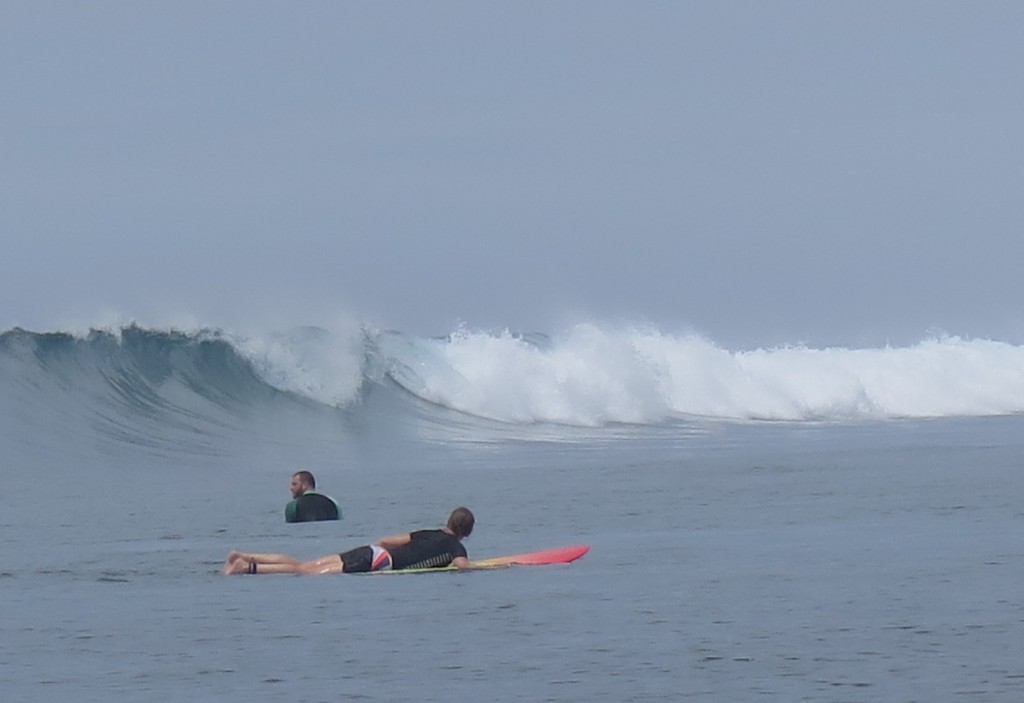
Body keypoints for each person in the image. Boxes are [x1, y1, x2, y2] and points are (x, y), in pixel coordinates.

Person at [224, 507, 474, 575]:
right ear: (467, 532)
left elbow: (388, 539)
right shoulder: (456, 547)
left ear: (448, 521)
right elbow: (462, 567)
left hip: (372, 551)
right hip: (379, 563)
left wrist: (375, 552)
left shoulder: (427, 532)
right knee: (304, 571)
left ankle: (244, 556)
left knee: (306, 564)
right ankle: (246, 568)